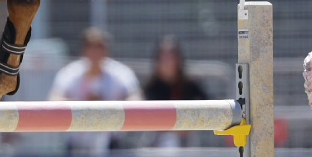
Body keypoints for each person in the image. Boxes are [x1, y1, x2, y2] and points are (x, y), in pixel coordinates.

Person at [48, 28, 141, 156]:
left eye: (99, 46)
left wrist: (108, 106)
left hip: (111, 143)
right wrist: (83, 105)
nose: (95, 51)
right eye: (90, 46)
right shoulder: (70, 73)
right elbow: (54, 100)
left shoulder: (121, 73)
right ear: (83, 50)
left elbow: (136, 100)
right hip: (76, 144)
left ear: (107, 49)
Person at [143, 35, 208, 147]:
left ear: (178, 59)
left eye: (170, 56)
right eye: (163, 57)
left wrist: (189, 123)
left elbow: (207, 108)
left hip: (187, 142)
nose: (167, 61)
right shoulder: (151, 87)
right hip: (158, 143)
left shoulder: (190, 85)